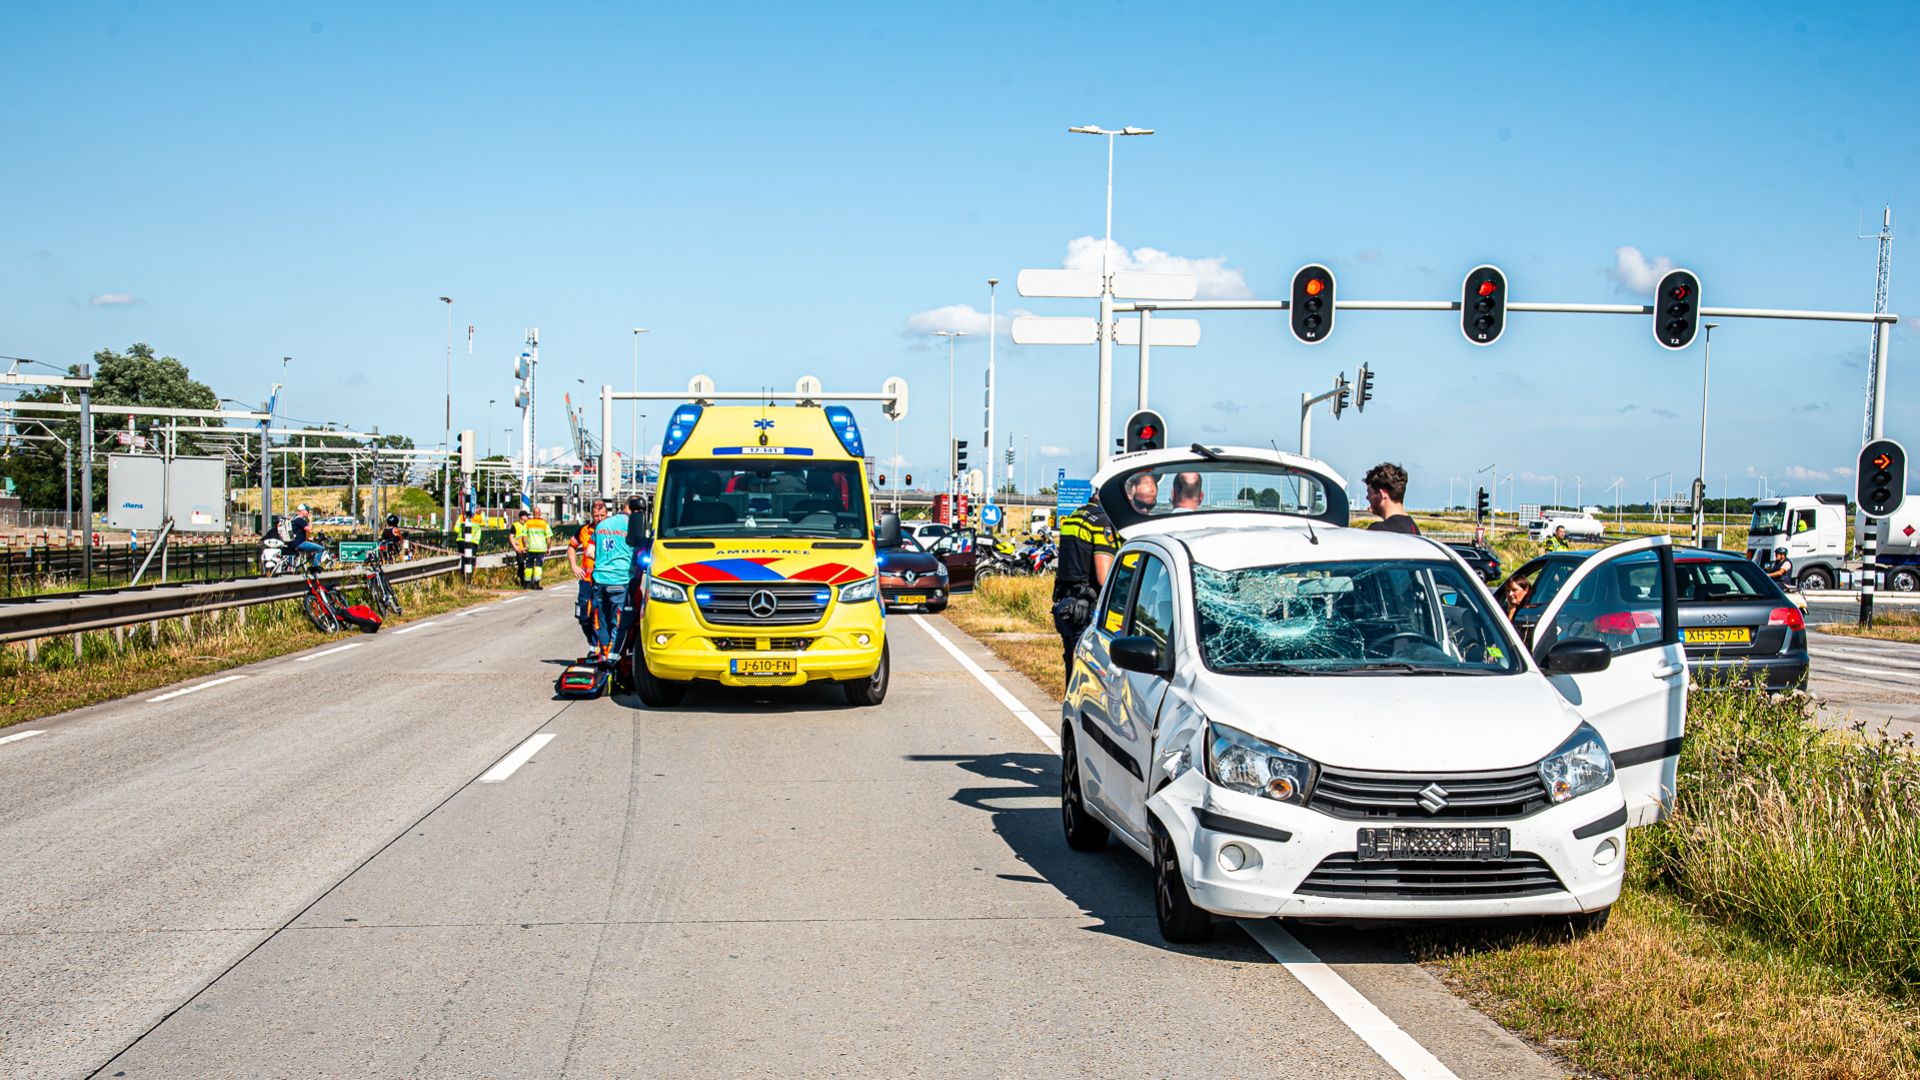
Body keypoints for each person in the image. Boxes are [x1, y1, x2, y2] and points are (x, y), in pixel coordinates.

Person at [1053, 496, 1116, 673]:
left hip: (1066, 603)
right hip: (1086, 606)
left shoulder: (1074, 516)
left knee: (1071, 666)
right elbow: (1104, 578)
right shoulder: (1102, 522)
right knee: (1089, 671)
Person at [590, 496, 644, 665]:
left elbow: (590, 552)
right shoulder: (633, 526)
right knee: (619, 622)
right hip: (620, 580)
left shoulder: (602, 525)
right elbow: (639, 554)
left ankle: (604, 654)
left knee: (602, 620)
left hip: (599, 578)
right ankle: (613, 660)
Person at [567, 501, 609, 654]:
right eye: (596, 516)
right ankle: (592, 642)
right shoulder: (584, 530)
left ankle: (600, 647)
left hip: (604, 579)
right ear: (591, 516)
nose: (599, 519)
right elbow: (571, 547)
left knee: (601, 614)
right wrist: (574, 565)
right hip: (586, 579)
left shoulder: (611, 530)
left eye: (602, 515)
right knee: (584, 615)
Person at [1364, 463, 1419, 534]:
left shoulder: (1379, 530)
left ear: (1381, 494)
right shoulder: (1413, 528)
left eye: (1369, 492)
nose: (1367, 498)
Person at [521, 508, 553, 588]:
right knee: (538, 565)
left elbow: (524, 537)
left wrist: (525, 546)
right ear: (540, 514)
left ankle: (527, 583)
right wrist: (548, 548)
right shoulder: (544, 524)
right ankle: (536, 584)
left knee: (528, 565)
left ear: (533, 513)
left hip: (531, 548)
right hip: (541, 548)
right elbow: (548, 538)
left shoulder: (528, 523)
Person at [290, 504, 326, 570]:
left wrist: (309, 539)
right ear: (302, 511)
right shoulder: (300, 520)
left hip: (294, 542)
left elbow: (299, 532)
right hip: (300, 543)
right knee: (321, 548)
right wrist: (310, 520)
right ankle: (315, 567)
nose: (308, 512)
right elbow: (310, 530)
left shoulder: (294, 519)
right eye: (307, 510)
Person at [456, 510, 483, 582]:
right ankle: (468, 579)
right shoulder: (479, 518)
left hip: (461, 541)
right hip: (473, 542)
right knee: (471, 561)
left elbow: (455, 529)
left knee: (462, 560)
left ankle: (461, 579)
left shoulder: (462, 516)